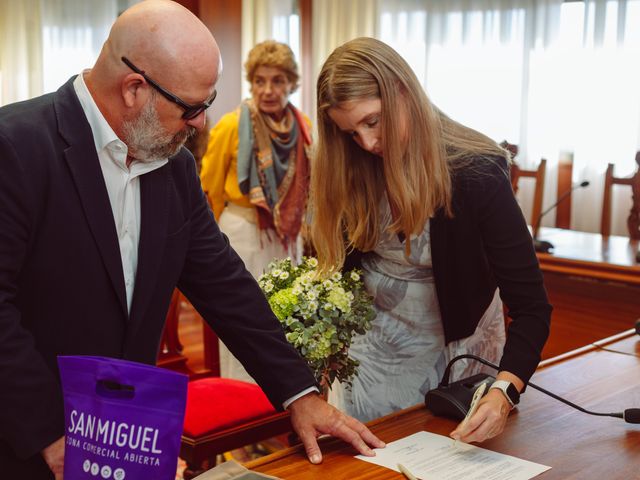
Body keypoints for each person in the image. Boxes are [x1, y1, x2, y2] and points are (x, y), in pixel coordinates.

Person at [0, 4, 383, 478]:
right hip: (25, 439)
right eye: (192, 107)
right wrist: (52, 436)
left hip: (121, 431)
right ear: (135, 88)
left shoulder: (175, 166)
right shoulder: (14, 147)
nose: (202, 122)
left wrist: (299, 394)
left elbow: (225, 285)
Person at [312, 37, 552, 443]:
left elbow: (531, 306)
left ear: (403, 91)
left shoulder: (476, 170)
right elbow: (342, 280)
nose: (367, 144)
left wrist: (504, 391)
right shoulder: (354, 168)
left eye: (373, 121)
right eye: (351, 132)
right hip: (374, 362)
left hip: (458, 352)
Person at [199, 40, 311, 382]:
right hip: (242, 235)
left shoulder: (303, 126)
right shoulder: (232, 126)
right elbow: (208, 191)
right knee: (242, 322)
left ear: (291, 82)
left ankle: (287, 397)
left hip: (286, 237)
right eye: (260, 80)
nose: (268, 90)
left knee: (288, 318)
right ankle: (243, 402)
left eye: (277, 80)